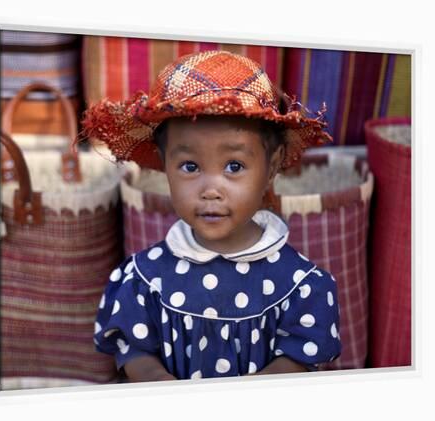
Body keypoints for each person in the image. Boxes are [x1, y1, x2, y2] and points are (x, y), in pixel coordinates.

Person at [81, 50, 341, 382]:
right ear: (165, 164)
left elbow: (299, 360)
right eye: (190, 167)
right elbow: (134, 351)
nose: (211, 190)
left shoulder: (300, 285)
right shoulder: (144, 278)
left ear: (272, 166)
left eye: (234, 166)